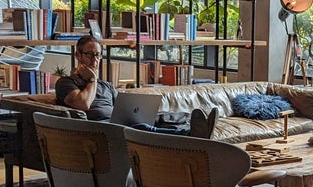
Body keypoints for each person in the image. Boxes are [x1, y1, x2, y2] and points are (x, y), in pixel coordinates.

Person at [55, 35, 218, 138]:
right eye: (89, 54)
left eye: (97, 55)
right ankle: (191, 135)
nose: (94, 59)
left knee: (158, 119)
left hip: (116, 122)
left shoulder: (106, 86)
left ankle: (194, 125)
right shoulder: (65, 83)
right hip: (98, 128)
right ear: (77, 55)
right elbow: (83, 104)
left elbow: (123, 109)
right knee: (140, 127)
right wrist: (92, 80)